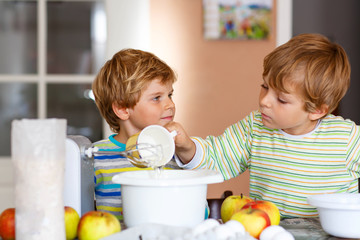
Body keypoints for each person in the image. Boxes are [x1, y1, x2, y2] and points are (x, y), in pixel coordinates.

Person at [168, 33, 360, 219]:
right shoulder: (255, 128)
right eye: (265, 87)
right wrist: (188, 147)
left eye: (282, 99)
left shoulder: (347, 139)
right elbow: (217, 158)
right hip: (268, 231)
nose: (265, 101)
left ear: (317, 110)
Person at [92, 48, 180, 221]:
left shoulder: (177, 150)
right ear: (123, 109)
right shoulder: (96, 155)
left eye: (170, 95)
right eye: (157, 98)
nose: (170, 104)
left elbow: (199, 209)